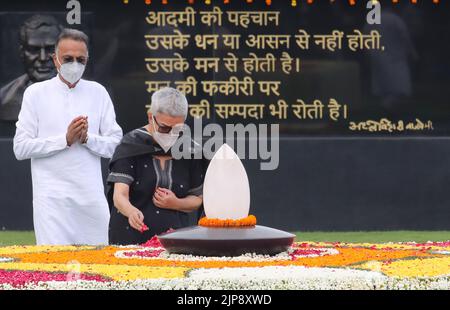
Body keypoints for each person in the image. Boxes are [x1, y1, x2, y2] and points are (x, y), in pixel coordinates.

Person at [13, 28, 123, 245]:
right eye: (68, 58)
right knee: (54, 266)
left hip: (91, 198)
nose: (75, 64)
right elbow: (20, 148)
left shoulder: (98, 92)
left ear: (87, 60)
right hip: (52, 200)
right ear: (56, 59)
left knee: (99, 263)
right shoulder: (35, 93)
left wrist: (88, 139)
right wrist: (64, 140)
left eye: (80, 59)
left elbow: (116, 145)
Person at [107, 87, 204, 245]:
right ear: (151, 117)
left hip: (175, 244)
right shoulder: (130, 146)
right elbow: (120, 195)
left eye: (177, 129)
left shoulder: (189, 150)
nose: (170, 134)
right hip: (130, 240)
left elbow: (198, 199)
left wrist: (176, 203)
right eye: (164, 128)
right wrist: (131, 212)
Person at [0, 15, 63, 121]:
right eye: (34, 49)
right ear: (22, 53)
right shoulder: (4, 99)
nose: (43, 58)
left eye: (51, 49)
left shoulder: (88, 95)